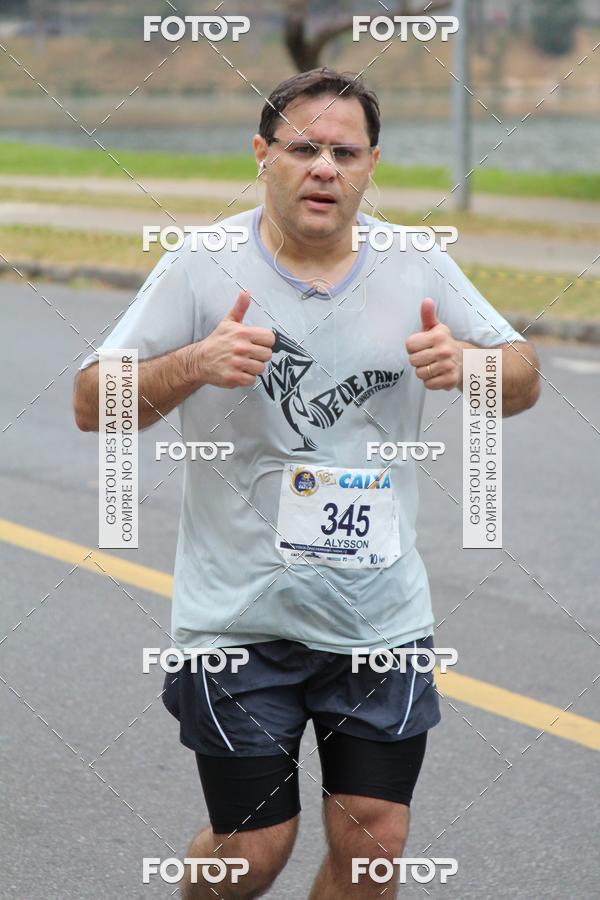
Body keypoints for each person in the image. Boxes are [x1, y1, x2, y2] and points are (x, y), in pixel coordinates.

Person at [73, 68, 540, 899]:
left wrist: (471, 368)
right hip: (237, 618)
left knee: (373, 849)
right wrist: (192, 364)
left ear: (371, 166)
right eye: (303, 147)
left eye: (344, 151)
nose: (324, 167)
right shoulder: (201, 265)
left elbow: (524, 376)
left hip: (378, 614)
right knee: (254, 854)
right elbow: (90, 403)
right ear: (263, 156)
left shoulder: (417, 264)